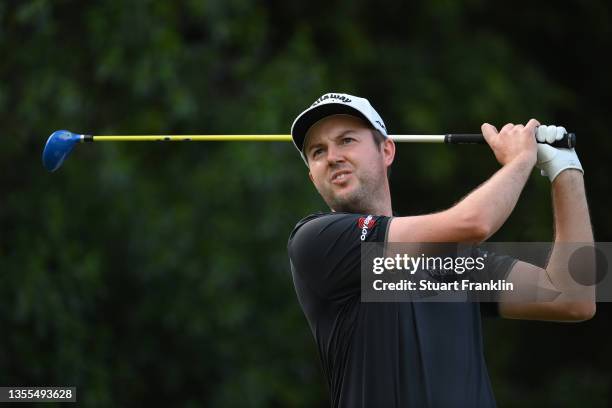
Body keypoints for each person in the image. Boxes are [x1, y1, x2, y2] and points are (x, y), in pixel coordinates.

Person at [287, 92, 595, 407]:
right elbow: (475, 223)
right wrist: (521, 160)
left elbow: (573, 298)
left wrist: (565, 169)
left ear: (387, 150)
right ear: (313, 176)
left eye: (347, 140)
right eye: (318, 151)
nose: (332, 156)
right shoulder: (316, 240)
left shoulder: (451, 261)